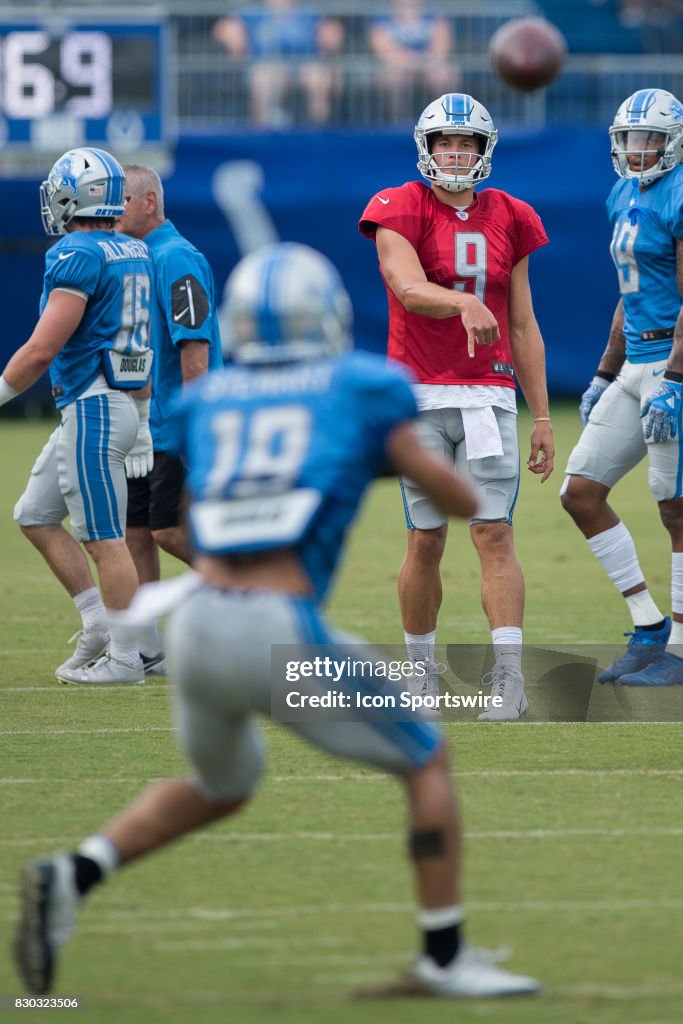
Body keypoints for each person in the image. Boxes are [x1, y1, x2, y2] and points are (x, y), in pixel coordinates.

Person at [12, 242, 540, 1000]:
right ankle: (445, 956)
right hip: (273, 628)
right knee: (424, 761)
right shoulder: (357, 385)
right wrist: (384, 454)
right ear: (326, 316)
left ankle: (74, 871)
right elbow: (456, 500)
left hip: (196, 623)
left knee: (221, 786)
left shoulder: (207, 400)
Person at [358, 93, 554, 722]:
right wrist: (463, 303)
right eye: (446, 142)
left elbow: (521, 323)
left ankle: (507, 680)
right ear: (426, 148)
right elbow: (407, 287)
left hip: (489, 396)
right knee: (426, 541)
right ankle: (419, 673)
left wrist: (544, 414)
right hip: (417, 395)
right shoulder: (399, 205)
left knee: (494, 532)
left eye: (467, 143)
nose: (456, 153)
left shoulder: (512, 214)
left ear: (484, 150)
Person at [0, 147, 154, 686]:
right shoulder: (133, 249)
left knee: (104, 537)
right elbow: (140, 340)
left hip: (93, 407)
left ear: (76, 195)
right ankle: (97, 624)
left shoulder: (76, 252)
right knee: (34, 515)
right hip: (116, 404)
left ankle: (127, 658)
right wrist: (143, 414)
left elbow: (43, 349)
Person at [561, 88, 683, 686]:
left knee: (675, 505)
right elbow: (627, 295)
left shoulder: (681, 192)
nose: (641, 151)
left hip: (673, 359)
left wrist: (677, 380)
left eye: (652, 139)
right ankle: (648, 623)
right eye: (633, 139)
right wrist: (604, 373)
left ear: (674, 140)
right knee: (580, 491)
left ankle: (681, 651)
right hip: (635, 359)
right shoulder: (622, 194)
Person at [102, 163, 221, 681]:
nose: (112, 211)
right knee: (135, 534)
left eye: (121, 199)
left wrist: (198, 428)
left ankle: (254, 587)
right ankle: (149, 648)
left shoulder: (177, 258)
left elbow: (195, 347)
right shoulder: (135, 258)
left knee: (170, 530)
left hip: (172, 424)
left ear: (148, 202)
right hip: (139, 425)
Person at [212, 0, 345, 125]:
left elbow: (332, 29)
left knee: (319, 76)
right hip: (266, 66)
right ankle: (262, 129)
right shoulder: (252, 12)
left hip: (305, 66)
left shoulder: (308, 13)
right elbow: (222, 28)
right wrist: (230, 33)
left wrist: (331, 34)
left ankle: (318, 128)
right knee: (267, 76)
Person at [369, 0, 458, 122]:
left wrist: (423, 62)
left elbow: (442, 46)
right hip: (397, 65)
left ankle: (442, 123)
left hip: (429, 64)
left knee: (444, 74)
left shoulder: (434, 14)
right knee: (392, 77)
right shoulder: (383, 16)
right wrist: (409, 63)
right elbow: (382, 49)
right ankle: (397, 123)